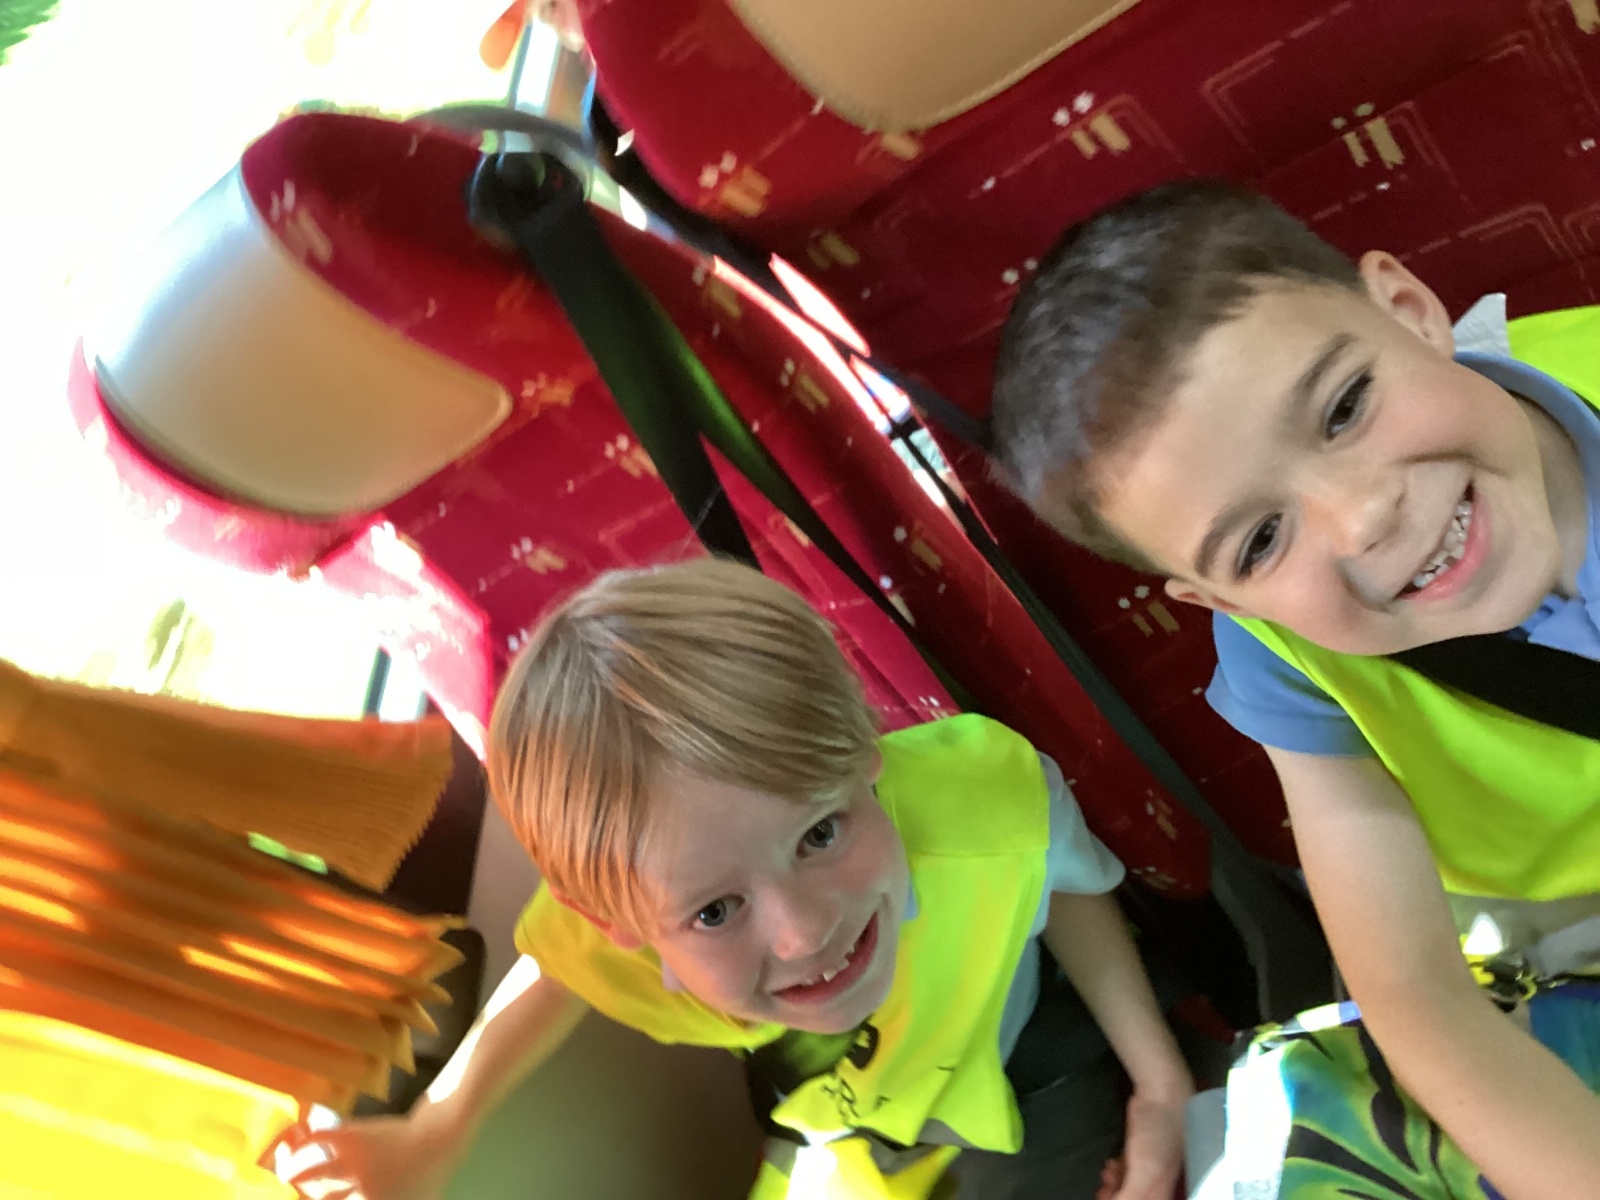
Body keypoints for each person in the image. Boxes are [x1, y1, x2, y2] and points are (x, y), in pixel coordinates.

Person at [989, 178, 1600, 1197]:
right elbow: (1415, 999)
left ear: (1408, 309)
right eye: (1261, 541)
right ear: (1219, 601)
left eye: (1345, 407)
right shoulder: (1290, 658)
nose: (1363, 518)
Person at [276, 557, 1195, 1200]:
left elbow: (1058, 880)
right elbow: (554, 970)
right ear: (621, 923)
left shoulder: (980, 800)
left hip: (1015, 1062)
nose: (805, 933)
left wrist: (1160, 1086)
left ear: (867, 754)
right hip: (841, 1121)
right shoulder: (614, 938)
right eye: (716, 911)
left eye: (821, 833)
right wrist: (436, 1130)